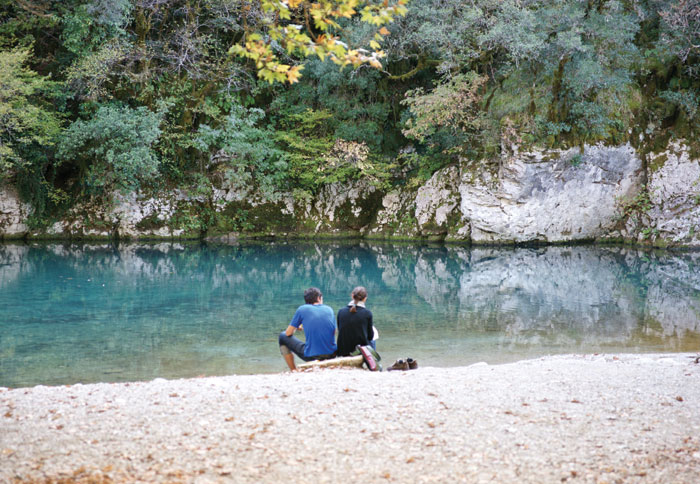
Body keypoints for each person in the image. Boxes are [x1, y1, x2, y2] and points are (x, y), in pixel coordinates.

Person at [278, 287, 337, 371]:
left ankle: (293, 370)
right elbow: (333, 331)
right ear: (318, 298)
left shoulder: (302, 309)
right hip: (332, 354)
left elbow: (288, 333)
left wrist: (296, 328)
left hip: (313, 356)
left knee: (282, 336)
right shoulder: (329, 309)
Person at [336, 286, 376, 357]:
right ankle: (373, 362)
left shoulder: (341, 311)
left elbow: (340, 330)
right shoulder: (367, 313)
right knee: (373, 339)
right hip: (360, 351)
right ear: (365, 298)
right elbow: (370, 336)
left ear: (352, 295)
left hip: (343, 350)